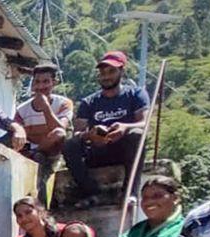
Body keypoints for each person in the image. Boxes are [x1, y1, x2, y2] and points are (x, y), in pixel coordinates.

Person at [62, 51, 150, 208]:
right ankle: (92, 192)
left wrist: (124, 127)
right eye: (103, 73)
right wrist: (90, 135)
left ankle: (130, 193)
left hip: (125, 150)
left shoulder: (136, 94)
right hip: (98, 150)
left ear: (122, 71)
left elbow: (144, 123)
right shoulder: (88, 102)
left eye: (111, 71)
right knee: (69, 144)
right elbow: (77, 133)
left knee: (137, 134)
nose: (106, 76)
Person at [13, 63, 73, 200]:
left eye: (46, 82)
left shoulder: (64, 103)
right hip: (32, 155)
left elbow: (60, 129)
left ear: (54, 83)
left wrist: (46, 108)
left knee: (58, 133)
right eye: (37, 82)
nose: (40, 86)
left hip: (54, 153)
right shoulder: (22, 110)